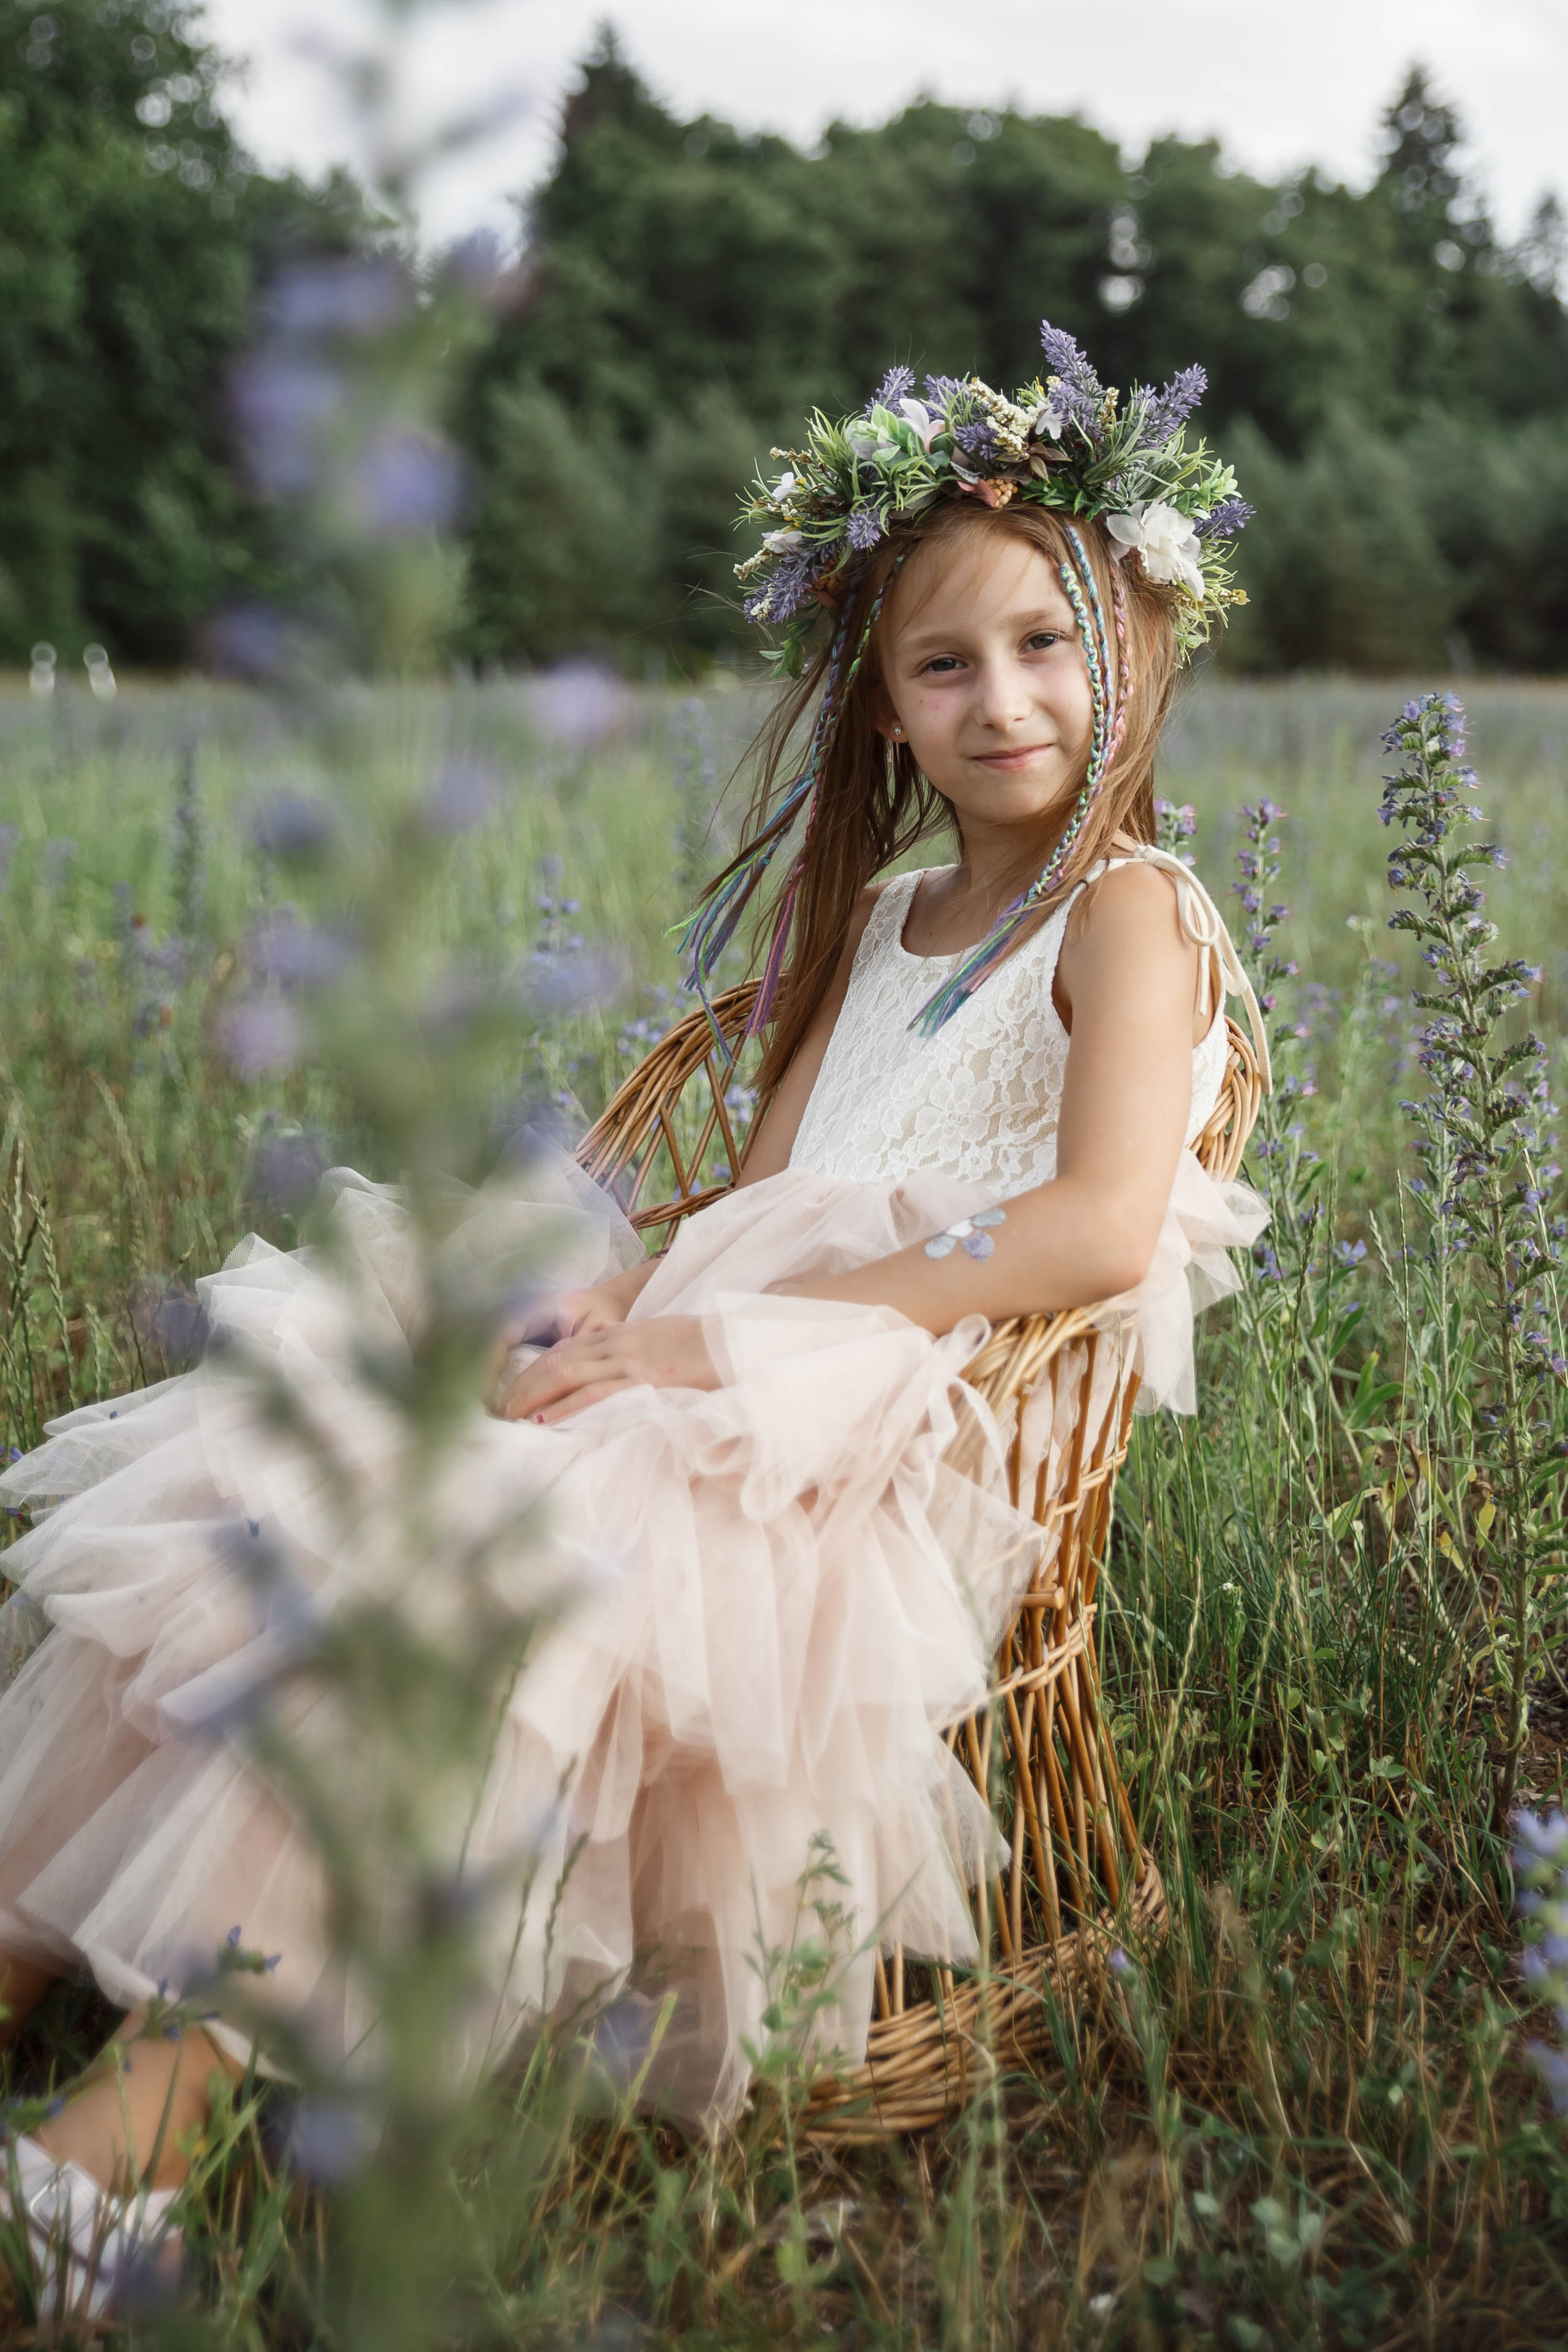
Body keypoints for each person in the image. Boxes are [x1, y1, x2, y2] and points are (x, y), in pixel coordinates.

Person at [0, 320, 1265, 2310]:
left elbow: (1098, 1233)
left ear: (1140, 651)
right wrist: (614, 1291)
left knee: (477, 1590)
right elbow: (754, 1202)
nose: (1005, 699)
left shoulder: (1133, 909)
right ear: (882, 712)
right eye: (947, 663)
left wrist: (704, 1350)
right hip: (718, 1353)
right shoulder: (873, 921)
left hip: (871, 1425)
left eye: (1049, 644)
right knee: (299, 1468)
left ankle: (117, 2157)